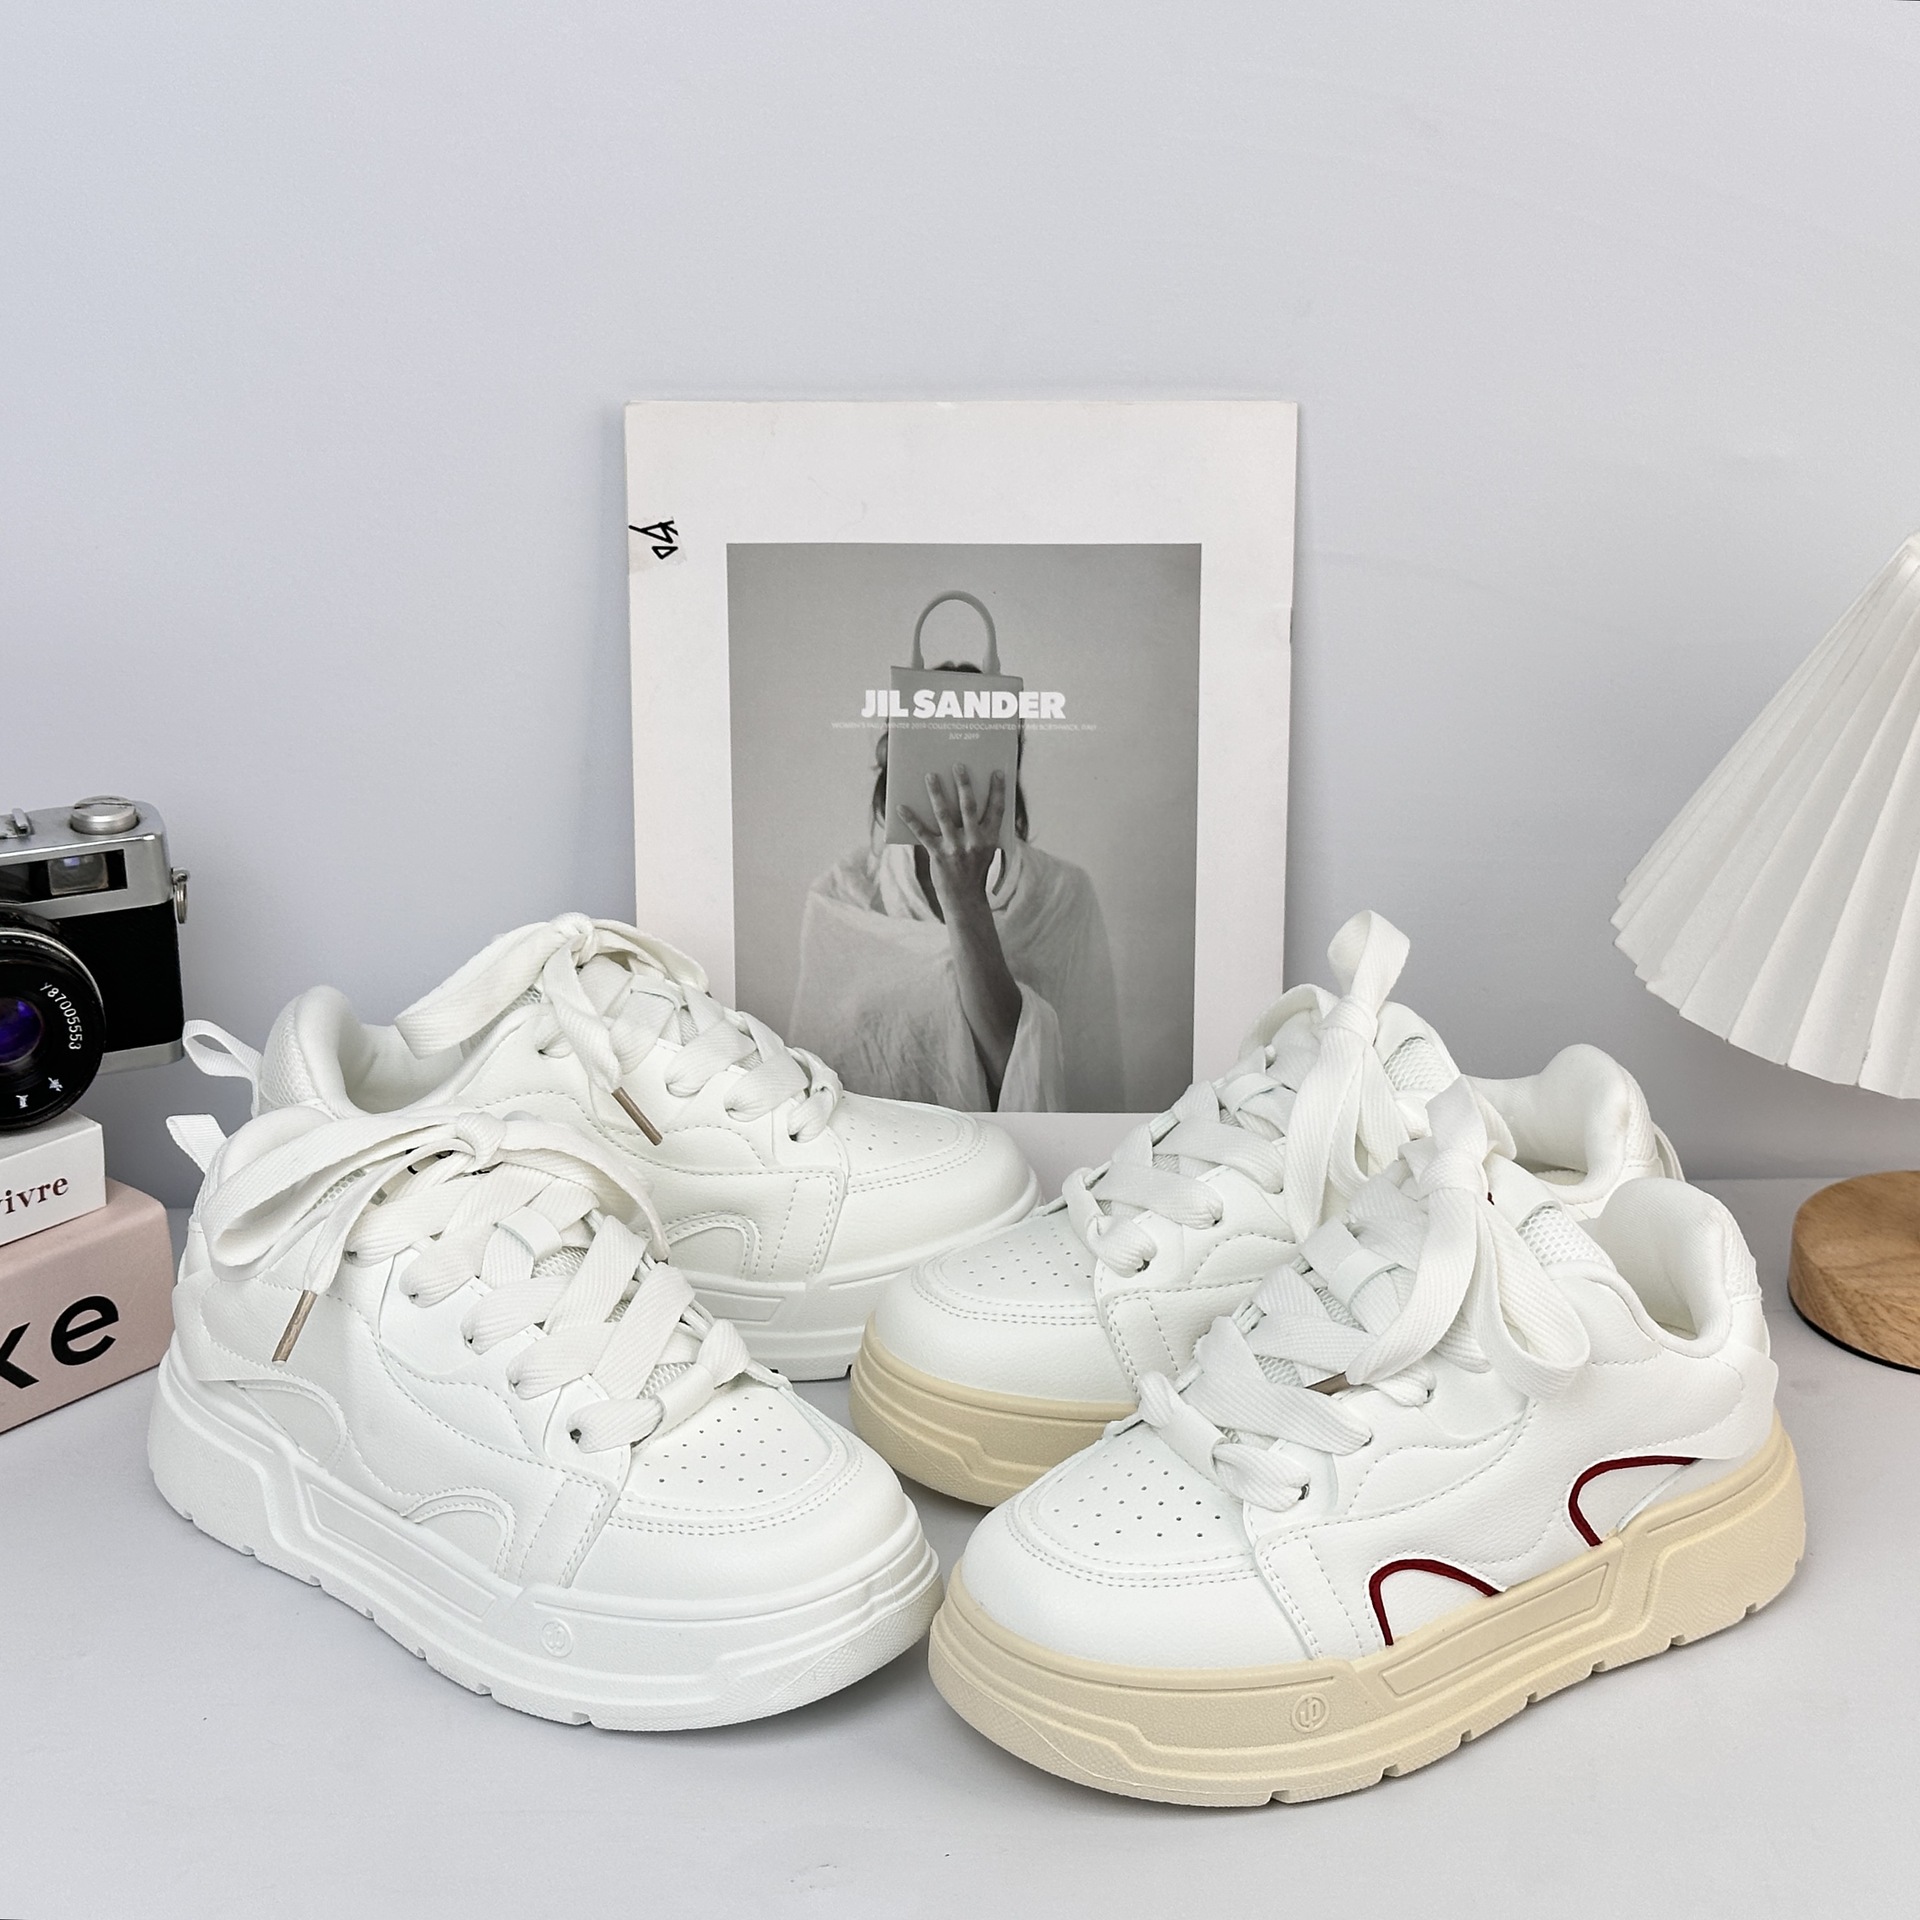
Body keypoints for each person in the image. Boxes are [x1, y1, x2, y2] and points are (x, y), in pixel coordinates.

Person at [789, 673, 1121, 1112]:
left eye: (973, 747)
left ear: (1007, 763)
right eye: (930, 743)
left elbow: (1028, 1078)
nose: (948, 774)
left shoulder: (1060, 892)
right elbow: (823, 1082)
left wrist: (965, 901)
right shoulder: (842, 897)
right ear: (895, 759)